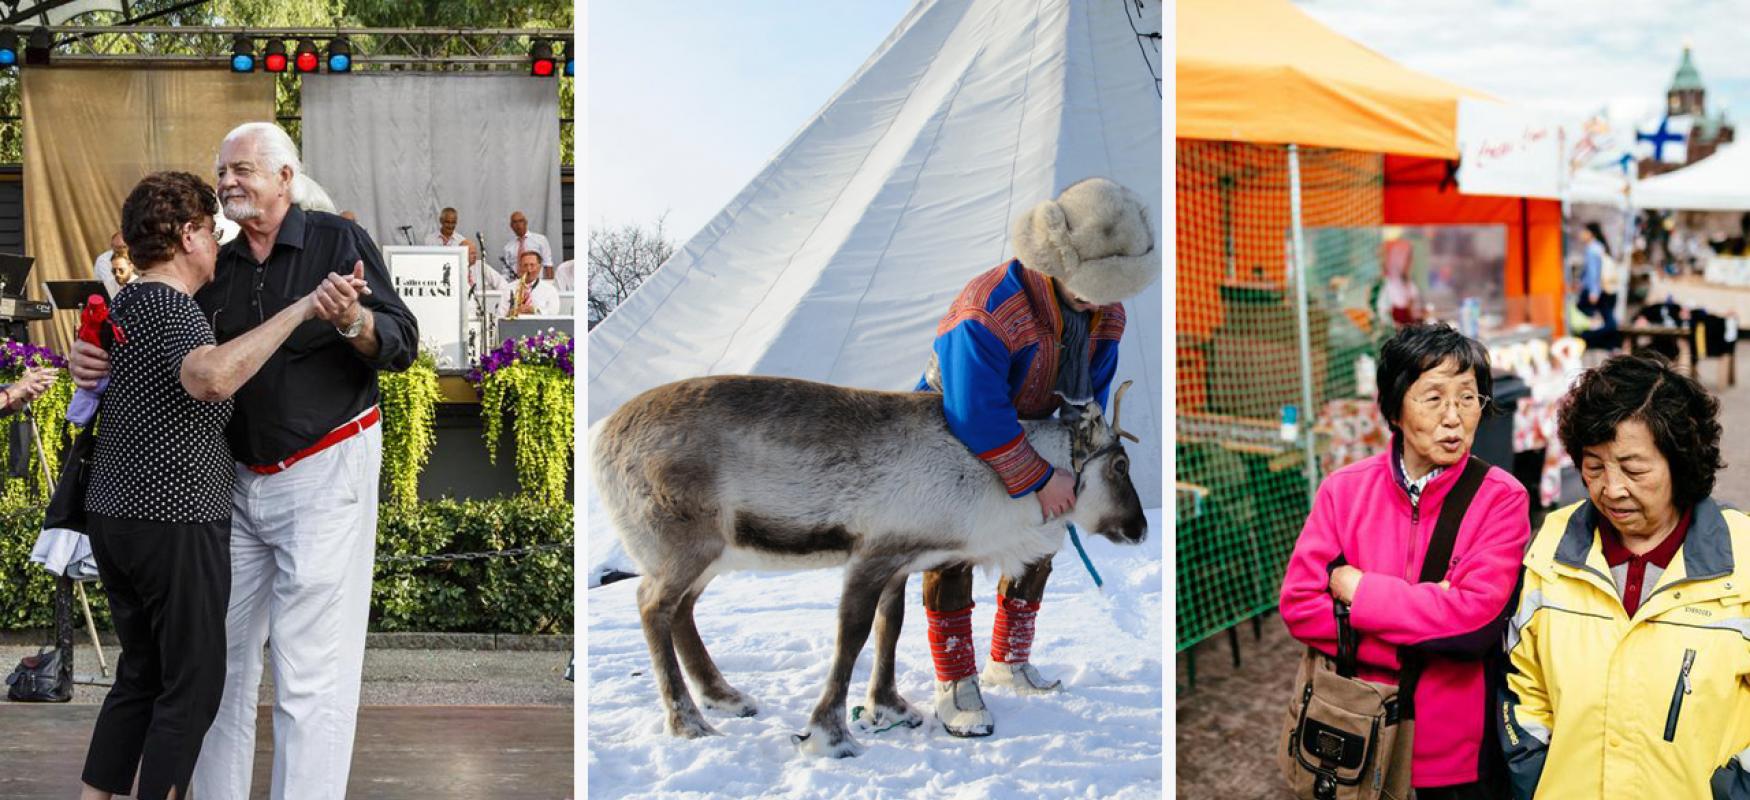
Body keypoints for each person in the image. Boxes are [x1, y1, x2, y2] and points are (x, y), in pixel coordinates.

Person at [69, 122, 418, 800]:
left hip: (324, 468)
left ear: (286, 177)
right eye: (222, 169)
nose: (227, 180)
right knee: (214, 667)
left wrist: (353, 323)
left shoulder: (335, 242)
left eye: (244, 169)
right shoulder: (211, 266)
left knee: (310, 669)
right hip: (227, 485)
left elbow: (402, 342)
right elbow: (168, 354)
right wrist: (94, 362)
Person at [916, 177, 1157, 737]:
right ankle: (955, 680)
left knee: (1042, 540)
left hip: (1045, 432)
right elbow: (973, 411)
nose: (1100, 302)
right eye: (1091, 288)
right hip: (950, 439)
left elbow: (1091, 394)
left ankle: (1009, 658)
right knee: (954, 553)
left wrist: (1072, 467)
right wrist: (1036, 476)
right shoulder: (987, 309)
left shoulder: (1107, 314)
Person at [1279, 323, 1531, 799]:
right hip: (1356, 732)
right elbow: (1299, 606)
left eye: (1468, 398)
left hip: (1452, 751)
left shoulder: (1502, 499)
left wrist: (1357, 593)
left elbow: (1473, 626)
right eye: (1433, 398)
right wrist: (1426, 620)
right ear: (1395, 409)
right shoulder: (1344, 490)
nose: (1453, 417)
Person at [1501, 354, 1750, 799]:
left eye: (1633, 469)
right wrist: (1535, 774)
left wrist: (1734, 789)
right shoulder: (1553, 549)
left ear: (1682, 462)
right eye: (1594, 467)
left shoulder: (1741, 559)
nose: (1611, 489)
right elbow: (1523, 684)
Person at [1577, 221, 1621, 352]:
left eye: (1584, 231)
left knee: (1607, 321)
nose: (1581, 234)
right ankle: (1609, 343)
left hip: (1599, 290)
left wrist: (1593, 291)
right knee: (1607, 318)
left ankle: (1589, 337)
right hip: (1607, 289)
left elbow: (1593, 272)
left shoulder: (1592, 249)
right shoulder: (1601, 247)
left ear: (1591, 233)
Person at [1375, 238, 1425, 327]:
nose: (1410, 263)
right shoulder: (1386, 285)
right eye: (1407, 259)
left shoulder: (1409, 285)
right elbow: (1383, 316)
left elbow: (1417, 311)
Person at [497, 249, 560, 318]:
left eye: (532, 265)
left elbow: (554, 314)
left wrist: (535, 310)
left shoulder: (550, 290)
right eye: (525, 265)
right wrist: (511, 313)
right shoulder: (509, 288)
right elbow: (500, 315)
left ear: (539, 267)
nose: (529, 269)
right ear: (520, 267)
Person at [500, 210, 553, 279]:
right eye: (515, 222)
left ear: (525, 223)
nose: (518, 225)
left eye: (520, 221)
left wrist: (550, 284)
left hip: (537, 283)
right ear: (511, 226)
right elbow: (506, 271)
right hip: (516, 284)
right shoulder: (508, 247)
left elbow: (548, 264)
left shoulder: (540, 240)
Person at [94, 231, 135, 298]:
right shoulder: (103, 260)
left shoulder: (135, 256)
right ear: (112, 246)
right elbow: (111, 288)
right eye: (118, 247)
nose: (122, 250)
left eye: (124, 247)